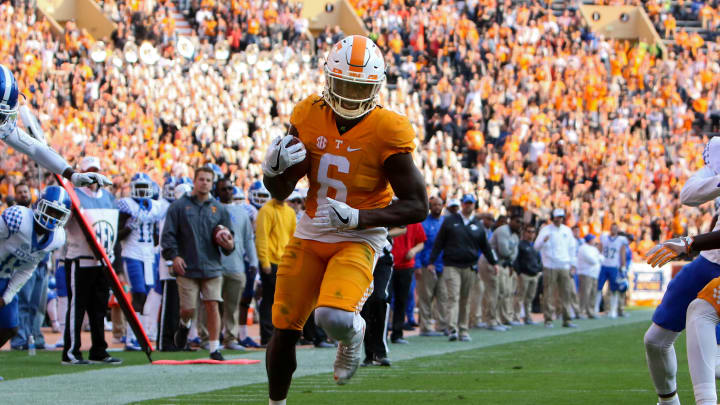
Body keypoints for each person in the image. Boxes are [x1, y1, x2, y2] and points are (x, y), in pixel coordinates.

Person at [262, 34, 427, 404]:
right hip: (310, 231)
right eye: (344, 84)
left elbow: (418, 205)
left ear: (376, 87)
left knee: (333, 318)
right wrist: (271, 172)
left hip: (357, 237)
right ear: (327, 78)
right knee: (284, 328)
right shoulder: (307, 114)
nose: (350, 94)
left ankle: (354, 338)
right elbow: (280, 192)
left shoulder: (389, 129)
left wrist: (359, 217)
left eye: (359, 86)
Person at [643, 137, 720, 405]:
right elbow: (688, 194)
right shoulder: (718, 148)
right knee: (655, 341)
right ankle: (668, 401)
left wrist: (690, 242)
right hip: (710, 260)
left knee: (713, 354)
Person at [161, 167, 235, 361]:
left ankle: (214, 348)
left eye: (208, 180)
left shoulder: (219, 209)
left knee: (212, 305)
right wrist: (174, 256)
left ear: (212, 184)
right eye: (201, 179)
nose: (204, 183)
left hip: (212, 265)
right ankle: (184, 325)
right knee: (188, 309)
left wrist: (229, 244)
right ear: (195, 181)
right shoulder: (178, 206)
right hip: (187, 266)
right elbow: (168, 235)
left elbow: (229, 237)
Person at [0, 64, 111, 189]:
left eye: (1, 117)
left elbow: (35, 149)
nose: (2, 121)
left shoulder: (4, 125)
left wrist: (72, 175)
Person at [0, 186, 71, 372]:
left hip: (5, 277)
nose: (52, 217)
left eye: (58, 213)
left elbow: (27, 268)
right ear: (38, 205)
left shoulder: (57, 238)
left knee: (10, 328)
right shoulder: (18, 218)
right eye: (50, 210)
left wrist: (7, 296)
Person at [61, 157, 122, 365]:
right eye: (89, 172)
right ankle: (71, 351)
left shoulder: (109, 197)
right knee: (77, 308)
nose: (93, 176)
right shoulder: (73, 196)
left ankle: (99, 350)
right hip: (79, 259)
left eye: (96, 171)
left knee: (99, 308)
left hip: (103, 261)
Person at [429, 194, 497, 341]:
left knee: (465, 299)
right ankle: (452, 329)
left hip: (469, 266)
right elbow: (439, 242)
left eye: (471, 203)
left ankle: (463, 329)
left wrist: (493, 262)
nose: (468, 206)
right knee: (453, 296)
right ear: (462, 204)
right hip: (451, 264)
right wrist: (431, 261)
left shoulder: (477, 224)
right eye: (466, 203)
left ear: (474, 205)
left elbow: (485, 246)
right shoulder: (450, 221)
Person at [116, 172, 164, 351]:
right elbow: (117, 235)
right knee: (138, 292)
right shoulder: (126, 205)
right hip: (132, 252)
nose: (143, 191)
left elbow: (156, 234)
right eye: (140, 187)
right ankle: (131, 337)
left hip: (149, 254)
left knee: (146, 294)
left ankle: (140, 335)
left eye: (146, 188)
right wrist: (129, 228)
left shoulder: (155, 207)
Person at [214, 178, 259, 350]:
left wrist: (253, 261)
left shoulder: (242, 213)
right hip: (215, 264)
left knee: (232, 306)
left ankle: (231, 338)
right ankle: (212, 338)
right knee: (213, 304)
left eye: (230, 189)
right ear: (217, 191)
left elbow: (248, 239)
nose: (227, 192)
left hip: (237, 264)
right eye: (223, 189)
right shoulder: (212, 209)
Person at [10, 182, 49, 350]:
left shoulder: (38, 212)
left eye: (25, 191)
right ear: (15, 197)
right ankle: (20, 339)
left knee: (38, 304)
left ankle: (35, 336)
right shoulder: (15, 215)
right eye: (20, 192)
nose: (24, 194)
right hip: (25, 264)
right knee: (23, 302)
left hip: (42, 263)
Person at [256, 195, 296, 347]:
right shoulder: (266, 210)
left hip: (285, 262)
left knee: (282, 301)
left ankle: (280, 335)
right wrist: (264, 261)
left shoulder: (290, 212)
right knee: (269, 299)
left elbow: (293, 238)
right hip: (270, 262)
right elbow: (261, 237)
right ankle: (266, 337)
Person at [361, 227, 404, 367]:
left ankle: (380, 351)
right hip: (361, 257)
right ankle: (369, 354)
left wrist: (381, 233)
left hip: (382, 259)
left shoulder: (387, 205)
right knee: (363, 305)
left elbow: (402, 229)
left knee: (380, 299)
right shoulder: (355, 205)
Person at [534, 209, 577, 328]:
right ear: (553, 218)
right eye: (557, 217)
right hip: (550, 265)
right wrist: (543, 241)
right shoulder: (546, 230)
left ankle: (567, 319)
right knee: (548, 293)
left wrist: (573, 264)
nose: (559, 219)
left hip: (564, 265)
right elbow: (536, 246)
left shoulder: (567, 231)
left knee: (566, 293)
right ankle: (548, 319)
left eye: (561, 217)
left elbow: (572, 248)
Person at [483, 211, 521, 330]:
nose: (519, 224)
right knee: (494, 291)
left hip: (501, 264)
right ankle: (491, 321)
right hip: (489, 263)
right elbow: (504, 251)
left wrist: (510, 257)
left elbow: (515, 254)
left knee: (502, 292)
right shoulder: (503, 231)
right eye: (517, 222)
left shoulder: (515, 235)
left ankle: (498, 319)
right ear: (511, 221)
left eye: (521, 222)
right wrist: (510, 256)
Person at [415, 196, 448, 336]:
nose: (437, 207)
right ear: (429, 207)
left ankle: (441, 325)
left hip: (443, 265)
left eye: (440, 205)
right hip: (426, 265)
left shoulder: (445, 222)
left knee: (443, 296)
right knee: (426, 297)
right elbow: (417, 244)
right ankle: (426, 327)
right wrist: (417, 265)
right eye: (434, 205)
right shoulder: (423, 223)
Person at [389, 221, 425, 344]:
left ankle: (397, 333)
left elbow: (421, 243)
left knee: (401, 300)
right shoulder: (392, 217)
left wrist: (414, 250)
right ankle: (382, 333)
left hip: (406, 265)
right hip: (388, 263)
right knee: (384, 299)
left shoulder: (415, 222)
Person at [597, 224, 628, 318]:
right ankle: (595, 309)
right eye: (612, 228)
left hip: (614, 266)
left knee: (614, 289)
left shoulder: (621, 240)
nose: (613, 230)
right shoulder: (604, 237)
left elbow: (622, 253)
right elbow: (599, 249)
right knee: (598, 288)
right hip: (603, 265)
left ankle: (613, 310)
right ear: (610, 229)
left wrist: (623, 266)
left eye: (615, 228)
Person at [513, 227, 543, 325]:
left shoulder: (535, 246)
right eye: (528, 232)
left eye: (533, 232)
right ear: (524, 233)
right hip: (524, 274)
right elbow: (516, 259)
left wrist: (539, 270)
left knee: (530, 297)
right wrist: (519, 272)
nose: (530, 234)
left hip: (534, 274)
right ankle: (516, 317)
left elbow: (538, 260)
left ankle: (528, 317)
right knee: (520, 296)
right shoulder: (521, 245)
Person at [576, 234, 602, 319]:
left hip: (594, 273)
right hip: (585, 273)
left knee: (592, 293)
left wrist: (598, 258)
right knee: (584, 293)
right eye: (593, 239)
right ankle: (580, 311)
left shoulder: (594, 249)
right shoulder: (583, 248)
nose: (594, 241)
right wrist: (598, 258)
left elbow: (602, 258)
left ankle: (590, 311)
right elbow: (592, 260)